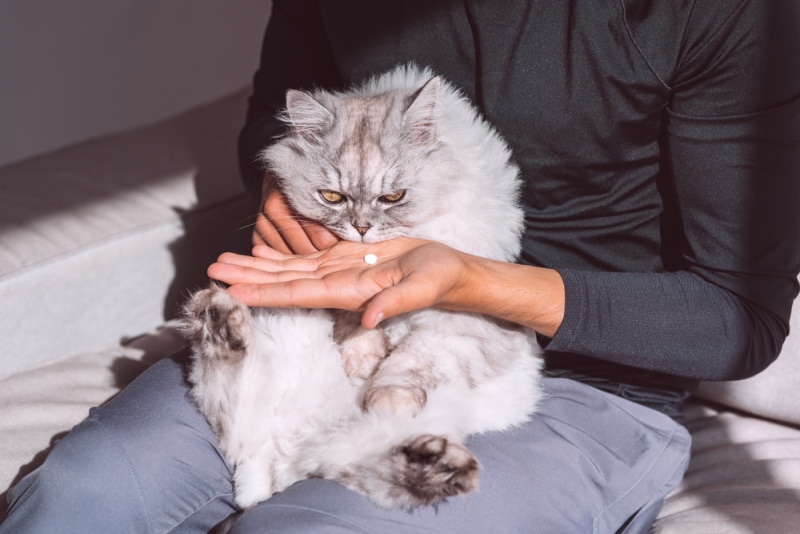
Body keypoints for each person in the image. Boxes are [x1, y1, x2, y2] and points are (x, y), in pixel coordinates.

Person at [3, 1, 799, 532]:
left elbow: (738, 322)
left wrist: (467, 281)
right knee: (79, 496)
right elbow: (272, 116)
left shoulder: (720, 15)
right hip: (331, 328)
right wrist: (282, 197)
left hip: (583, 381)